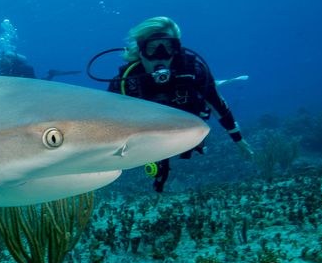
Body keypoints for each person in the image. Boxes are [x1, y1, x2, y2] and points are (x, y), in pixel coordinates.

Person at [108, 16, 254, 192]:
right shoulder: (126, 82)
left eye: (168, 48)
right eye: (152, 49)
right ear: (140, 51)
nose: (160, 56)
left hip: (185, 127)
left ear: (176, 50)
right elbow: (109, 123)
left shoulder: (193, 71)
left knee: (209, 92)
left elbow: (218, 105)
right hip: (149, 135)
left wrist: (239, 139)